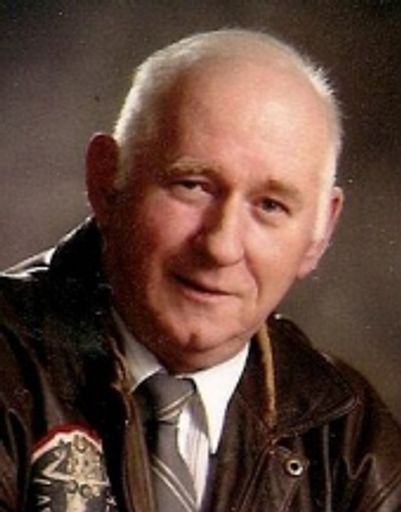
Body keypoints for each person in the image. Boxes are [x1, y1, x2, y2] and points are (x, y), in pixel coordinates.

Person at [0, 29, 400, 512]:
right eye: (192, 185)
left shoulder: (351, 438)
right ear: (106, 181)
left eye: (270, 206)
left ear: (320, 233)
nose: (221, 247)